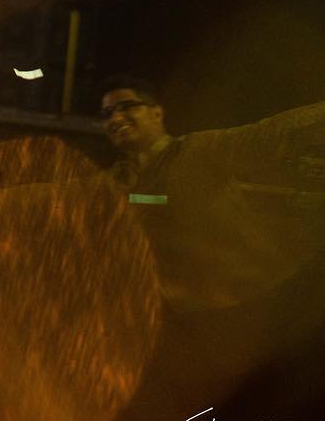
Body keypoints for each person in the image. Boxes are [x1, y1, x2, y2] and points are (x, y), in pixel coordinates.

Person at [95, 73, 325, 312]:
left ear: (156, 113)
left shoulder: (197, 152)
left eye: (126, 107)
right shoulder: (117, 179)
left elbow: (270, 135)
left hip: (236, 307)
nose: (116, 117)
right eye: (107, 113)